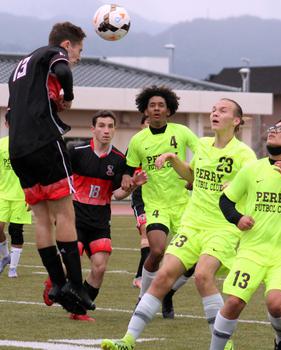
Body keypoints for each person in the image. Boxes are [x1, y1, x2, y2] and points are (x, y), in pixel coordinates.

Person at [101, 98, 257, 350]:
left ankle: (223, 343)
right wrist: (174, 160)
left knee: (203, 276)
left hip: (223, 227)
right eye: (213, 109)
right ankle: (128, 340)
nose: (215, 113)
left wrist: (238, 187)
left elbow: (255, 184)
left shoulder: (244, 154)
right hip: (192, 224)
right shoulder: (204, 146)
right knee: (163, 276)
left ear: (236, 121)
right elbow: (192, 176)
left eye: (222, 110)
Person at [7, 21, 95, 314]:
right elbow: (63, 70)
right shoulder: (52, 54)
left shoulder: (19, 68)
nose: (78, 57)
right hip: (44, 143)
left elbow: (11, 113)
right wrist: (68, 97)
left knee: (42, 219)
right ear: (67, 45)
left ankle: (58, 284)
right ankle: (75, 285)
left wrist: (53, 101)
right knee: (64, 214)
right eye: (78, 50)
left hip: (18, 149)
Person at [209, 118, 281, 350]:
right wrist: (237, 218)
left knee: (276, 305)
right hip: (252, 249)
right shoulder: (252, 169)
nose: (273, 132)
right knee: (233, 302)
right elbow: (226, 200)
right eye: (272, 128)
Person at [43, 110, 147, 321]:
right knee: (71, 259)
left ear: (115, 130)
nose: (106, 130)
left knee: (99, 267)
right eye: (102, 126)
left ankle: (78, 310)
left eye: (110, 126)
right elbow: (59, 178)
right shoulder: (76, 151)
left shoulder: (119, 160)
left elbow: (117, 194)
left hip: (100, 221)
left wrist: (133, 186)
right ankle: (53, 282)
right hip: (74, 217)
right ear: (93, 129)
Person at [121, 85, 198, 319]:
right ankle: (144, 300)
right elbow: (127, 169)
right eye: (152, 105)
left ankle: (168, 294)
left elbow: (202, 153)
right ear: (145, 109)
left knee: (192, 258)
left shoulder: (182, 132)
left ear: (169, 110)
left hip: (183, 204)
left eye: (160, 105)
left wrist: (192, 176)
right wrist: (127, 179)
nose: (156, 109)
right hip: (155, 204)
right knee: (156, 250)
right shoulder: (138, 140)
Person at [0, 114, 32, 278]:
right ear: (7, 123)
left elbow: (33, 171)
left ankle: (13, 268)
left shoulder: (29, 145)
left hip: (21, 195)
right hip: (2, 194)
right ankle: (5, 256)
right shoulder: (1, 144)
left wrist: (31, 194)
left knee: (16, 230)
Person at [131, 115, 150, 289]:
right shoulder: (136, 145)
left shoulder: (165, 144)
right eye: (147, 122)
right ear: (142, 125)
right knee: (146, 234)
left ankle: (144, 275)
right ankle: (139, 276)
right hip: (140, 197)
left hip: (161, 199)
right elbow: (128, 169)